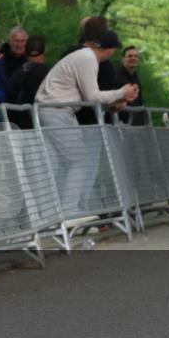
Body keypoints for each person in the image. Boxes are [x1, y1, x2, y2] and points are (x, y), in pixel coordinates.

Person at [36, 24, 139, 209]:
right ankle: (69, 211)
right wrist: (121, 92)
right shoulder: (88, 59)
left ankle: (52, 212)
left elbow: (88, 96)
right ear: (111, 51)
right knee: (79, 161)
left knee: (58, 162)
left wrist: (114, 102)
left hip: (58, 110)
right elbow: (92, 96)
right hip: (56, 111)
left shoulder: (84, 56)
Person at [61, 16, 116, 124]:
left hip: (67, 114)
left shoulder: (69, 54)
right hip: (91, 119)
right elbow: (102, 92)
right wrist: (118, 97)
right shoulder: (99, 60)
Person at [6, 34, 50, 129]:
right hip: (39, 127)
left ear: (25, 52)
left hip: (17, 127)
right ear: (44, 52)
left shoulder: (16, 74)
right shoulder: (48, 74)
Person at [0, 26, 28, 110]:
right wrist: (6, 97)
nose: (19, 45)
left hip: (25, 112)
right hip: (2, 112)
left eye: (23, 41)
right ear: (10, 42)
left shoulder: (30, 62)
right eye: (16, 41)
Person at [115, 46, 145, 125]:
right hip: (121, 123)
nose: (133, 58)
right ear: (123, 59)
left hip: (136, 123)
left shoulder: (135, 76)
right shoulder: (116, 75)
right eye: (130, 56)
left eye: (136, 56)